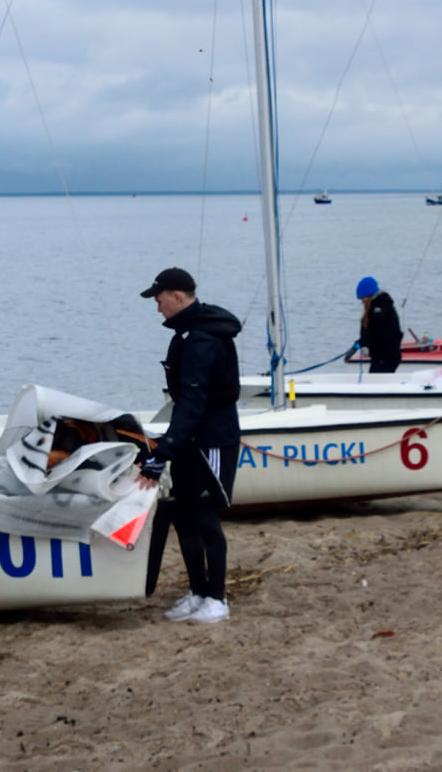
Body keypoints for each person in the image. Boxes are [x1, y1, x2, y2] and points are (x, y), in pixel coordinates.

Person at [136, 267, 242, 626]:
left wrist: (163, 451)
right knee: (182, 514)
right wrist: (169, 445)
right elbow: (183, 404)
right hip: (189, 438)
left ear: (177, 296)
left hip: (213, 439)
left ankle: (217, 598)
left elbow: (194, 402)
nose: (158, 308)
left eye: (159, 300)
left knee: (204, 515)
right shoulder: (184, 335)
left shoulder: (203, 338)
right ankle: (198, 591)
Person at [354, 277, 403, 373]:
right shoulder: (375, 307)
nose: (362, 301)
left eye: (363, 298)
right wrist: (361, 343)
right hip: (380, 355)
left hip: (386, 356)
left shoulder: (380, 308)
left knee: (375, 378)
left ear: (369, 295)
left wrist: (362, 343)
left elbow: (376, 331)